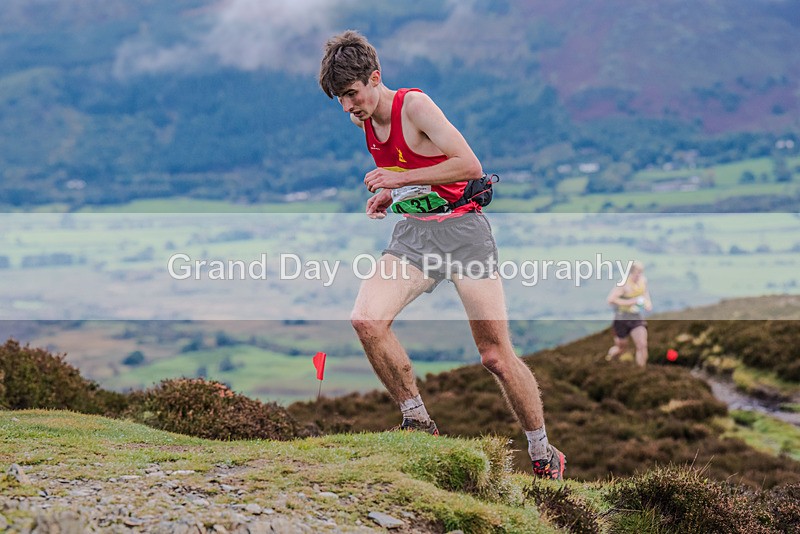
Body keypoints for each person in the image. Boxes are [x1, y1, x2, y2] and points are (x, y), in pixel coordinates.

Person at [319, 30, 565, 480]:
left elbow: (468, 166)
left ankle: (543, 452)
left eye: (352, 93)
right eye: (339, 98)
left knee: (495, 357)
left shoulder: (413, 105)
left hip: (464, 233)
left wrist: (392, 184)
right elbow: (413, 173)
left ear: (375, 78)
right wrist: (395, 199)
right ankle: (417, 421)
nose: (348, 106)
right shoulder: (364, 119)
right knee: (366, 320)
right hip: (415, 234)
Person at [606, 260, 652, 367]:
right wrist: (630, 302)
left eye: (641, 273)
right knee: (621, 348)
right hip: (622, 318)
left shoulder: (643, 281)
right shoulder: (623, 284)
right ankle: (609, 359)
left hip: (636, 317)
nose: (639, 275)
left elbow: (645, 293)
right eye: (637, 273)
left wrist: (648, 303)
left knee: (642, 345)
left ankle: (641, 371)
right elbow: (610, 300)